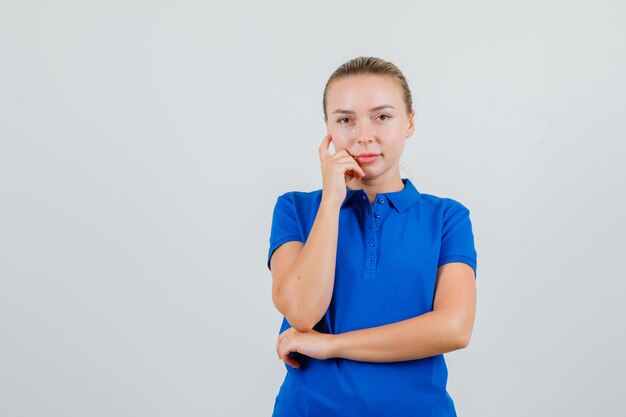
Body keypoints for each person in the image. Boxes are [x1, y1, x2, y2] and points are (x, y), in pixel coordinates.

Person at [266, 56, 478, 417]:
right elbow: (301, 312)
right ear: (327, 128)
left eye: (382, 116)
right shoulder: (296, 209)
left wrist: (331, 345)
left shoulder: (447, 217)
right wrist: (332, 199)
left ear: (409, 122)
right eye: (345, 120)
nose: (364, 135)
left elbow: (454, 328)